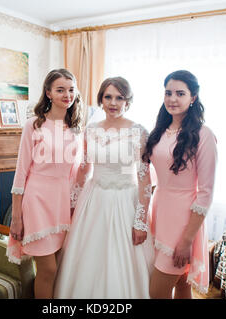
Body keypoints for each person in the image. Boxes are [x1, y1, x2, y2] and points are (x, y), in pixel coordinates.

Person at [54, 77, 154, 298]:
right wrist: (71, 204)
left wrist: (140, 221)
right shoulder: (91, 129)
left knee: (121, 260)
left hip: (125, 200)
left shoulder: (139, 131)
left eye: (119, 97)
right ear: (101, 99)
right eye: (108, 96)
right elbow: (84, 169)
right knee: (89, 257)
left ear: (127, 101)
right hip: (93, 199)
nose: (113, 102)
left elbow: (145, 179)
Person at [7, 69, 83, 299]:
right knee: (48, 269)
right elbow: (21, 173)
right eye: (60, 90)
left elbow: (77, 173)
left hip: (62, 204)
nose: (67, 95)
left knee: (58, 269)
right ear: (48, 93)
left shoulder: (76, 128)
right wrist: (17, 217)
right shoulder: (34, 125)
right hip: (37, 201)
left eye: (71, 90)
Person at [142, 70, 217, 298]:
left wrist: (187, 240)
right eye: (168, 93)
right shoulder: (159, 132)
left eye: (180, 93)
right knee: (182, 285)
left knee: (156, 292)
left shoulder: (204, 135)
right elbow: (153, 174)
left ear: (193, 97)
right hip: (160, 212)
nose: (172, 99)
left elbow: (205, 194)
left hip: (183, 221)